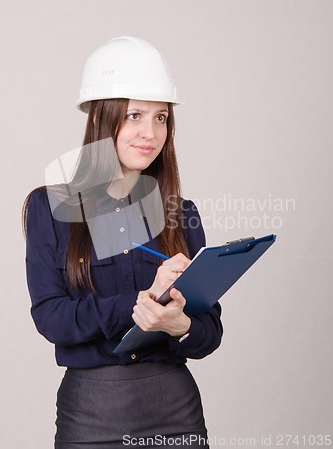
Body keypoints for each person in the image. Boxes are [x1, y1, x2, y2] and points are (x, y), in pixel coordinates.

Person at [23, 36, 223, 448]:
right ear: (101, 118)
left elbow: (210, 332)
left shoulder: (180, 214)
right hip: (92, 412)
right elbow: (52, 318)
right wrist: (142, 300)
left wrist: (179, 324)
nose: (149, 133)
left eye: (161, 118)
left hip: (176, 409)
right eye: (134, 115)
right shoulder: (51, 207)